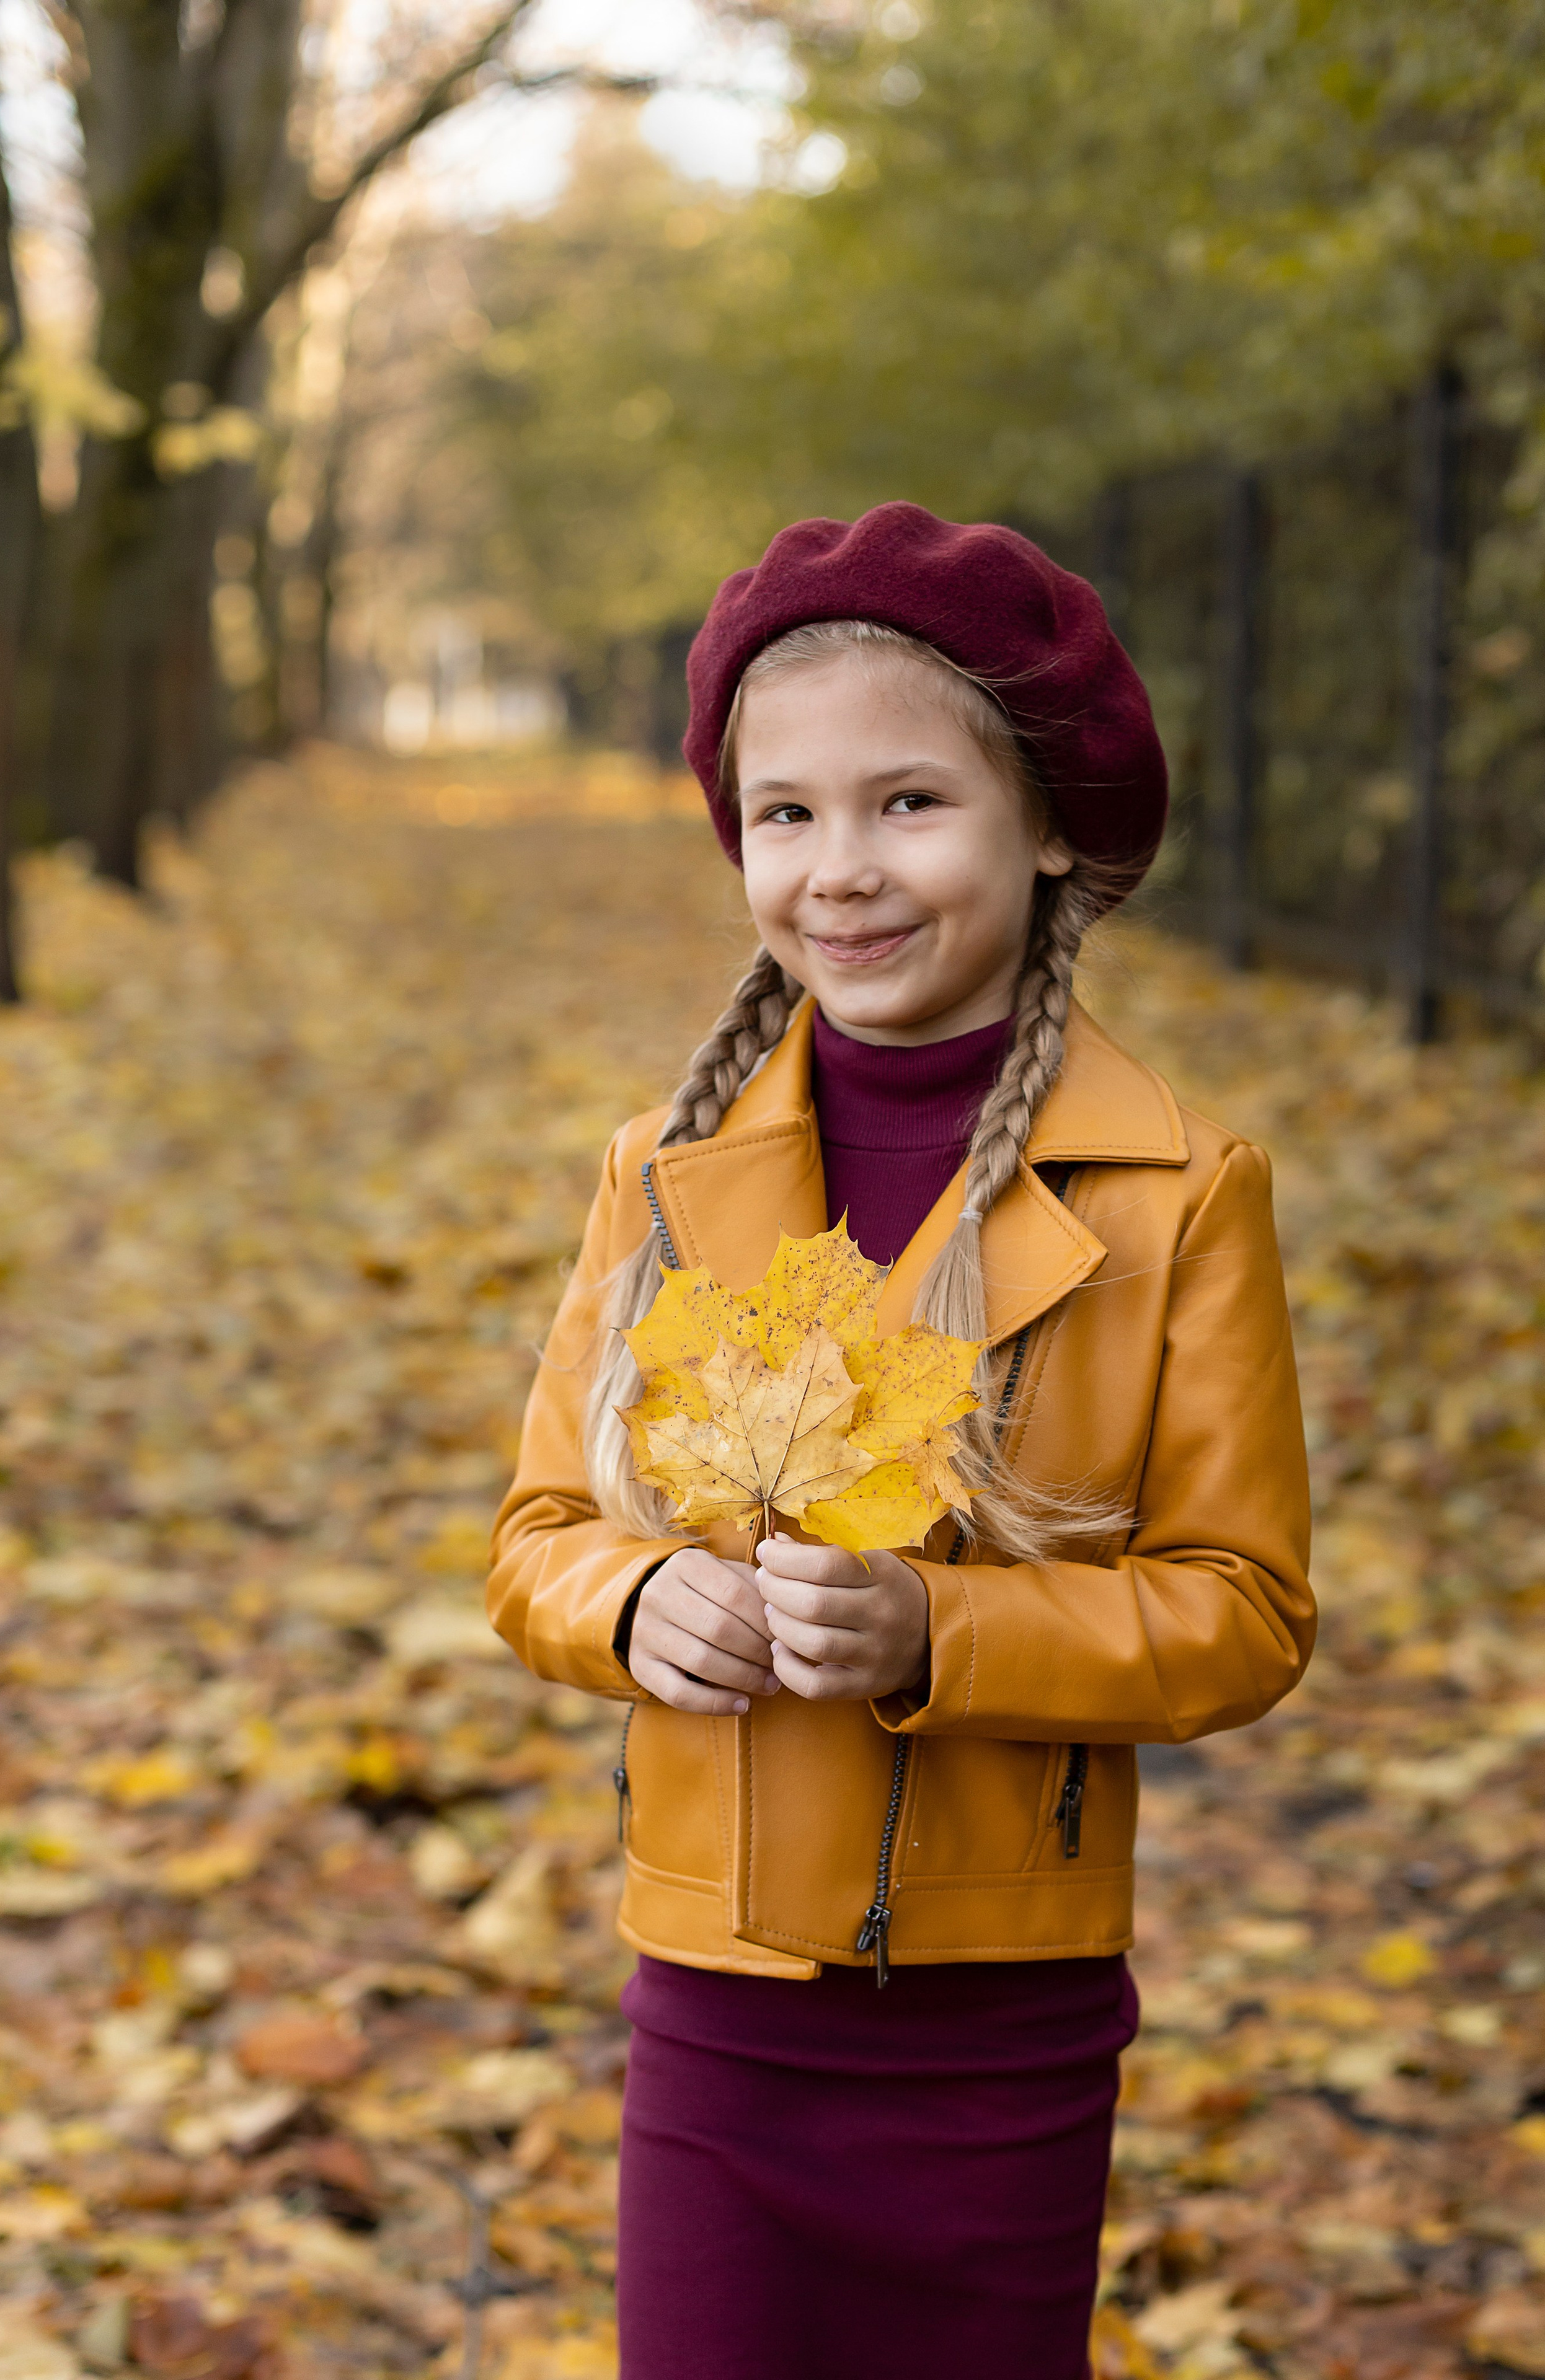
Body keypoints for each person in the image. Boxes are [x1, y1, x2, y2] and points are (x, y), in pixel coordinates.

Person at [487, 502, 1314, 2379]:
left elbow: (1245, 1610)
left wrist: (942, 1635)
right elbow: (536, 1539)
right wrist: (635, 1605)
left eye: (911, 804)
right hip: (719, 2014)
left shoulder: (1177, 1195)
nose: (842, 870)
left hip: (1002, 2032)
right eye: (786, 813)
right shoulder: (665, 1173)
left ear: (1049, 827)